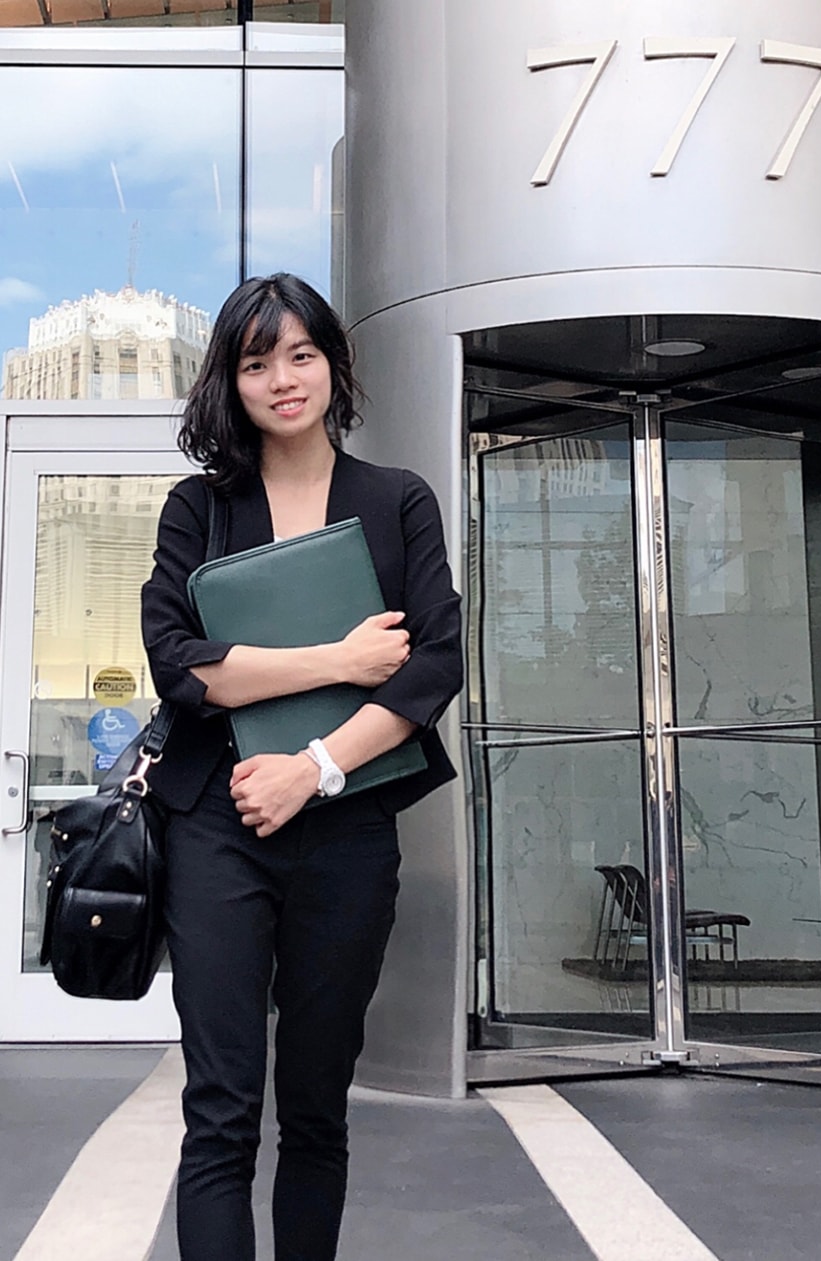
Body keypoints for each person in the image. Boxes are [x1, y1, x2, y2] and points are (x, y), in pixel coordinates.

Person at [141, 272, 463, 1260]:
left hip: (347, 830)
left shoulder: (395, 500)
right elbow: (179, 662)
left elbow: (431, 665)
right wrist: (337, 661)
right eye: (255, 360)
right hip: (214, 830)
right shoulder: (200, 508)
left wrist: (312, 765)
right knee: (221, 1112)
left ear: (333, 364)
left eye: (300, 354)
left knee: (319, 1110)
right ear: (229, 382)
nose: (282, 378)